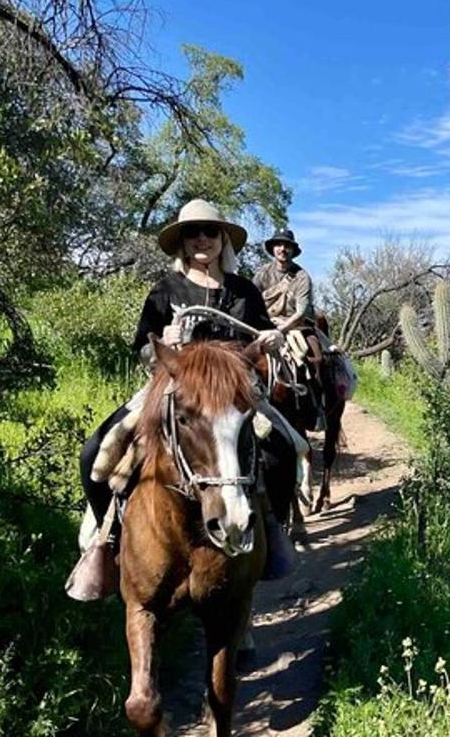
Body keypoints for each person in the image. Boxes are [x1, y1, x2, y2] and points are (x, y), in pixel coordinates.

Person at [67, 199, 296, 601]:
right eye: (193, 233)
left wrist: (271, 340)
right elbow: (142, 345)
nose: (202, 239)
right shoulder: (165, 290)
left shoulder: (243, 290)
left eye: (210, 231)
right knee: (94, 453)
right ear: (183, 242)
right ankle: (109, 539)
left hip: (231, 397)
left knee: (283, 448)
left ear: (222, 238)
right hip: (174, 390)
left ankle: (271, 529)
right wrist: (162, 346)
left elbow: (260, 336)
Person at [253, 228, 325, 420]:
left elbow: (301, 312)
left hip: (296, 326)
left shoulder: (301, 276)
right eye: (278, 245)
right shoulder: (262, 274)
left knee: (316, 358)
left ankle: (316, 407)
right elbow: (252, 300)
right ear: (273, 249)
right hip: (265, 324)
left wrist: (280, 329)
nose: (282, 249)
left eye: (287, 246)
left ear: (293, 250)